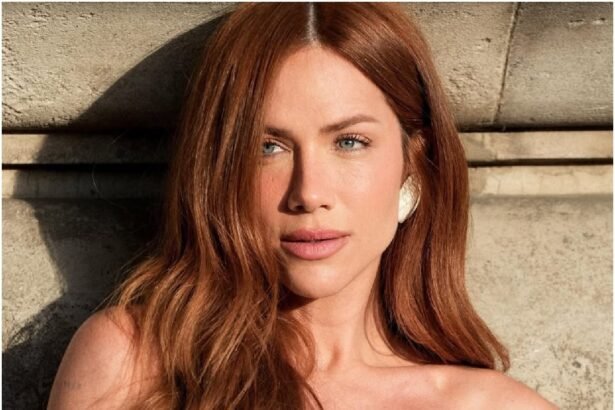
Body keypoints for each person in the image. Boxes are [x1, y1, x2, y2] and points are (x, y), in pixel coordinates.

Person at [48, 3, 557, 409]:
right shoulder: (131, 364)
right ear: (218, 172)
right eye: (267, 147)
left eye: (350, 142)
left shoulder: (495, 405)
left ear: (414, 167)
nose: (309, 193)